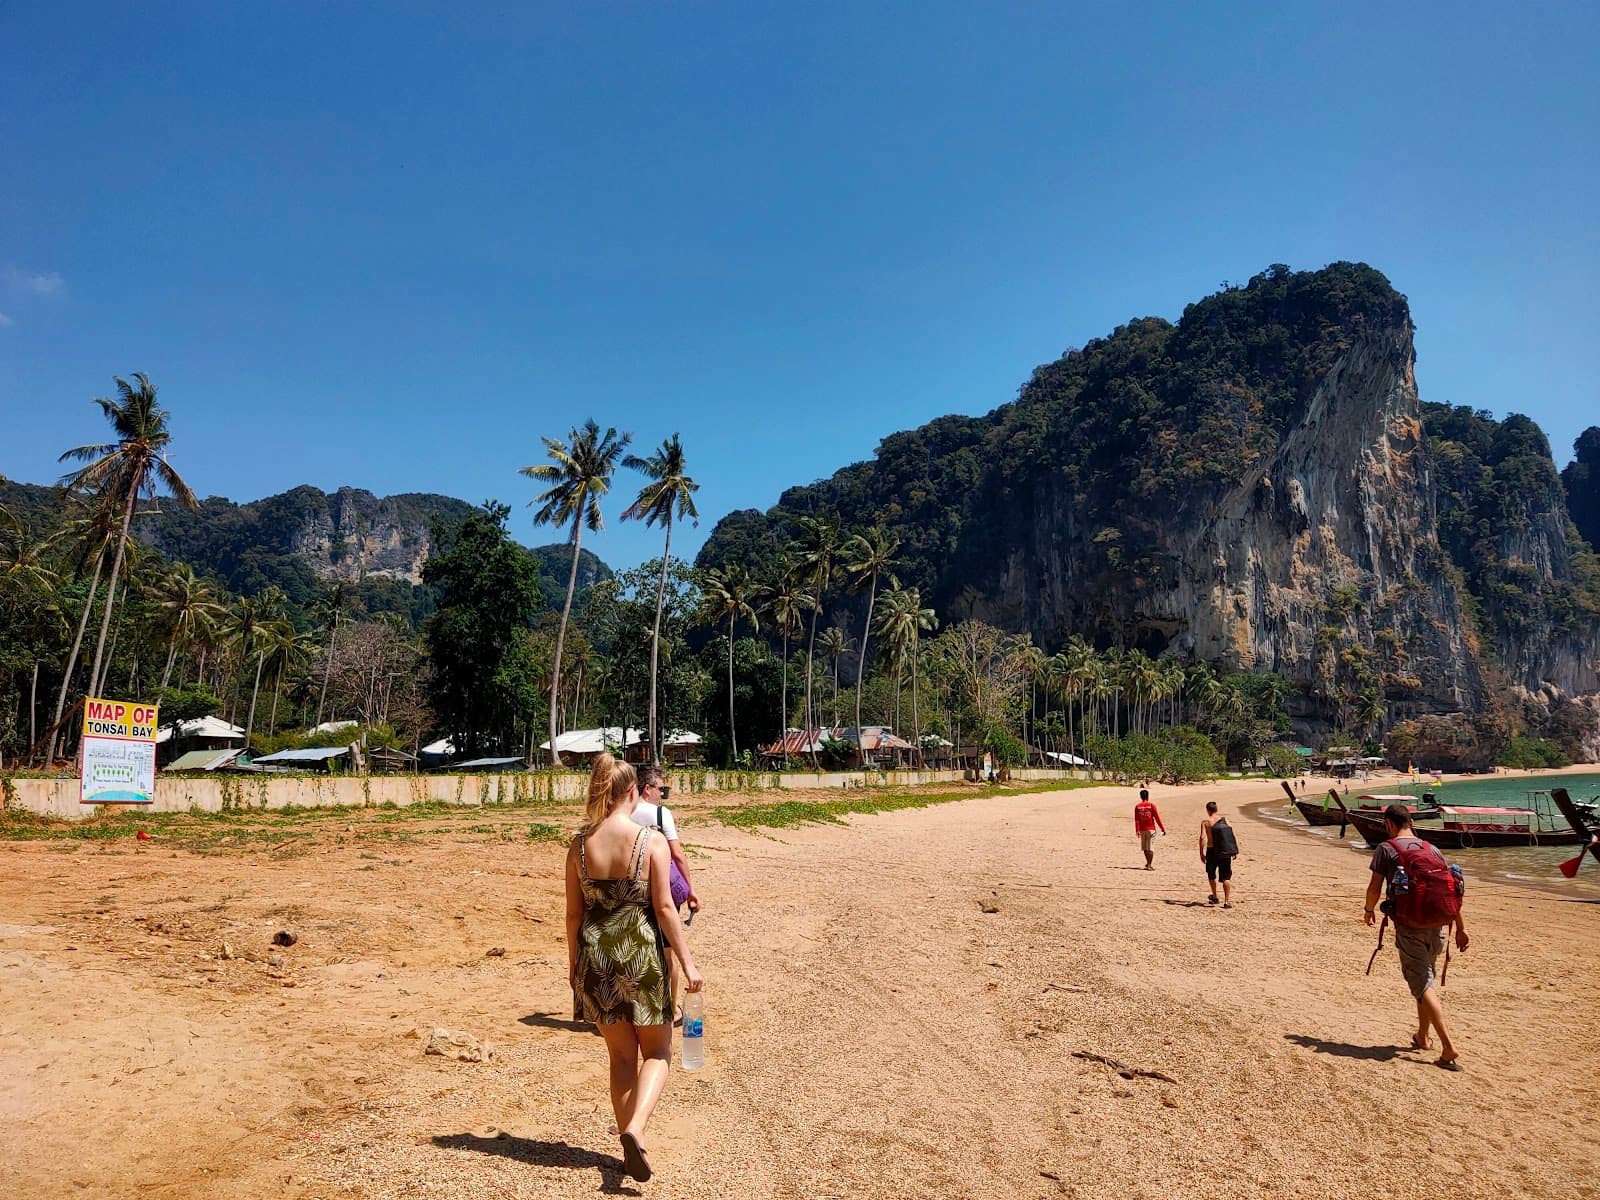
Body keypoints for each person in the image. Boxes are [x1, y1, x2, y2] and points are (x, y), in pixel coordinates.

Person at [567, 753, 703, 1181]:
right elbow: (664, 908)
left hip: (596, 955)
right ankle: (636, 1128)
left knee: (621, 1056)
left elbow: (573, 915)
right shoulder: (651, 841)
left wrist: (574, 969)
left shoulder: (579, 844)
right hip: (640, 953)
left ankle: (629, 1141)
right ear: (633, 792)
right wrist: (688, 963)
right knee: (658, 1051)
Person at [1363, 803, 1469, 1070]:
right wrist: (1461, 927)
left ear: (1389, 824)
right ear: (1410, 821)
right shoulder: (1431, 848)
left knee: (1422, 983)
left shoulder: (1386, 849)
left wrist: (1368, 909)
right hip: (1438, 923)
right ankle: (1423, 1036)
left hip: (1410, 924)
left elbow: (1374, 886)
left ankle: (1448, 1046)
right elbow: (1449, 890)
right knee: (1427, 979)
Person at [632, 765, 700, 1016]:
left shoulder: (622, 813)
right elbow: (677, 855)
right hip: (662, 888)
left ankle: (637, 1006)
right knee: (666, 952)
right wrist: (690, 889)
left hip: (633, 889)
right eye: (662, 789)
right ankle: (670, 1009)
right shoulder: (660, 814)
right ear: (647, 789)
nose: (663, 794)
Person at [1199, 800, 1237, 907]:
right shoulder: (1225, 820)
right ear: (1216, 809)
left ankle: (1215, 896)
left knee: (1211, 874)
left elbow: (1202, 837)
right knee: (1226, 877)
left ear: (1207, 810)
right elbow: (1232, 834)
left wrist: (1201, 853)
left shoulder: (1205, 822)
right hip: (1224, 850)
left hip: (1211, 851)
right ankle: (1226, 901)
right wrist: (1233, 849)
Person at [1133, 788, 1166, 870]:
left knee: (1145, 847)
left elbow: (1136, 819)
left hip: (1142, 829)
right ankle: (1149, 865)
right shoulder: (1151, 805)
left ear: (1140, 797)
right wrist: (1162, 828)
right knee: (1150, 847)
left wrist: (1137, 830)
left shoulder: (1137, 806)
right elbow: (1157, 818)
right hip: (1151, 829)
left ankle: (1148, 863)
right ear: (1147, 796)